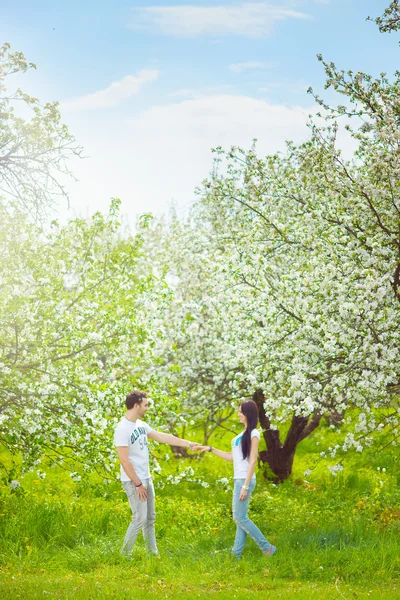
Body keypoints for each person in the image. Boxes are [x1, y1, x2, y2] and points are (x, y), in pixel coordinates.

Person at [114, 389, 197, 556]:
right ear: (136, 405)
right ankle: (124, 555)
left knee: (150, 519)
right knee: (139, 518)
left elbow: (164, 437)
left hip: (146, 478)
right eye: (145, 405)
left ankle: (153, 554)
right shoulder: (122, 429)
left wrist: (188, 444)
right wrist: (138, 484)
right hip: (134, 481)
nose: (147, 408)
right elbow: (124, 461)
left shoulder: (141, 425)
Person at [193, 400, 276, 559]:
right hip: (239, 479)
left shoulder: (254, 433)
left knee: (240, 517)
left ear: (248, 414)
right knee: (240, 517)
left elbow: (252, 461)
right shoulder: (242, 434)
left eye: (241, 412)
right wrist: (210, 449)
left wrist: (245, 486)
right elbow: (232, 457)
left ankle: (267, 548)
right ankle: (236, 554)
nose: (238, 414)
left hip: (244, 480)